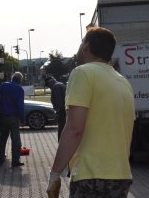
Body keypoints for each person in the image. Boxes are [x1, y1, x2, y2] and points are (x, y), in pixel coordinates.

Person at [46, 27, 135, 198]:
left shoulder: (83, 73)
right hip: (121, 177)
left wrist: (55, 174)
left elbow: (74, 129)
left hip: (91, 176)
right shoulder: (122, 82)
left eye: (81, 43)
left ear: (86, 46)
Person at [0, 71, 25, 167]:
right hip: (14, 117)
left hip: (3, 116)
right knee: (16, 140)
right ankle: (15, 161)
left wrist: (0, 104)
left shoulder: (4, 85)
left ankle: (0, 159)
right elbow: (20, 106)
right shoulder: (19, 89)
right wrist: (22, 118)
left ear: (12, 78)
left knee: (2, 139)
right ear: (20, 80)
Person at [44, 75, 67, 141]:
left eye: (48, 86)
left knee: (61, 128)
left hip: (62, 111)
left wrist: (57, 112)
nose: (50, 88)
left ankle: (61, 143)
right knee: (64, 127)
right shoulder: (61, 84)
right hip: (65, 109)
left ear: (49, 83)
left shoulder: (56, 87)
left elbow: (58, 101)